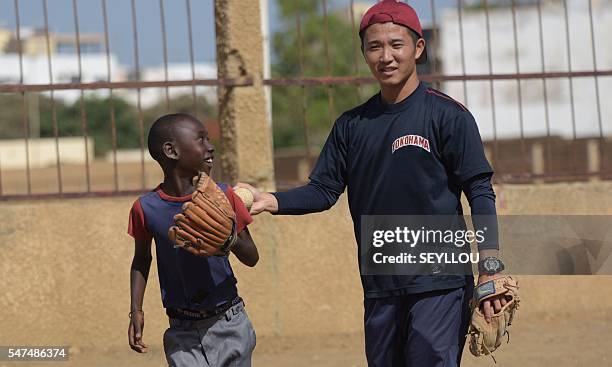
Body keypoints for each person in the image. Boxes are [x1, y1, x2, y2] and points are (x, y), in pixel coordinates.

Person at [237, 1, 508, 366]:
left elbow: (479, 190)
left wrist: (490, 263)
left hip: (440, 281)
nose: (386, 56)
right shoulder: (351, 126)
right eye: (374, 46)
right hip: (380, 282)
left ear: (418, 48)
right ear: (364, 52)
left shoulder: (447, 116)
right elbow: (323, 191)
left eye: (396, 44)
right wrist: (268, 200)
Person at [127, 113, 259, 366]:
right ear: (171, 150)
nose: (210, 146)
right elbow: (142, 260)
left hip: (229, 321)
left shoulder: (224, 197)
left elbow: (252, 257)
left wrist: (230, 241)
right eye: (201, 139)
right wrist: (136, 310)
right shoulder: (145, 208)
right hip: (181, 330)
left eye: (209, 139)